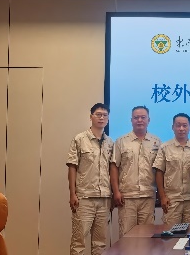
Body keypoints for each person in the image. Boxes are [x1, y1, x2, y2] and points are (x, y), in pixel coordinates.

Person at [66, 103, 113, 255]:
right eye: (98, 114)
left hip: (104, 199)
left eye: (105, 115)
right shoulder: (79, 139)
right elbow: (72, 167)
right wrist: (73, 194)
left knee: (100, 244)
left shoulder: (110, 143)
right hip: (84, 198)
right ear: (91, 117)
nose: (101, 118)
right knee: (78, 242)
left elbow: (112, 171)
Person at [110, 105, 161, 237]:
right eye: (136, 117)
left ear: (148, 120)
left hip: (148, 196)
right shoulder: (121, 142)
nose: (139, 120)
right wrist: (116, 191)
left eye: (143, 117)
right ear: (131, 120)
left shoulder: (156, 142)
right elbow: (114, 167)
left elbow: (160, 170)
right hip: (127, 197)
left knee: (147, 236)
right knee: (127, 236)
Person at [153, 113, 190, 225]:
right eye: (178, 125)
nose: (181, 129)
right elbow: (159, 172)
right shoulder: (165, 147)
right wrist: (162, 197)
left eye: (185, 125)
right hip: (171, 199)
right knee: (171, 233)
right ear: (173, 127)